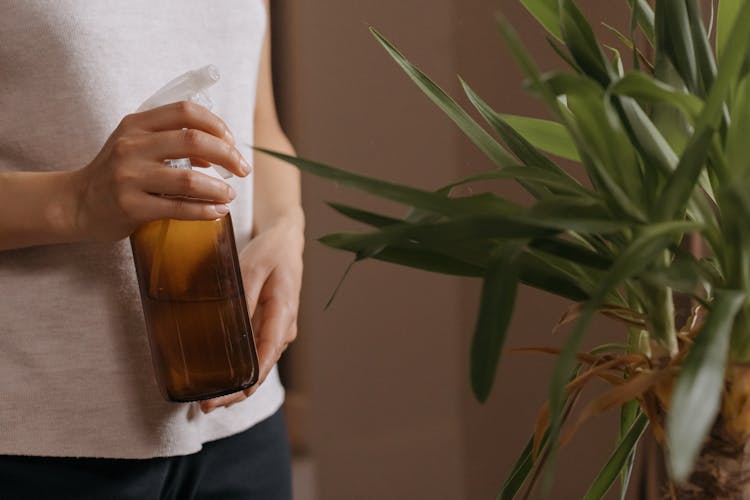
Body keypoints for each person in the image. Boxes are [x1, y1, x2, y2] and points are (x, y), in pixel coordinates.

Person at [0, 1, 303, 498]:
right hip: (38, 445)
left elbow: (259, 122)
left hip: (244, 435)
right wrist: (74, 202)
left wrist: (287, 228)